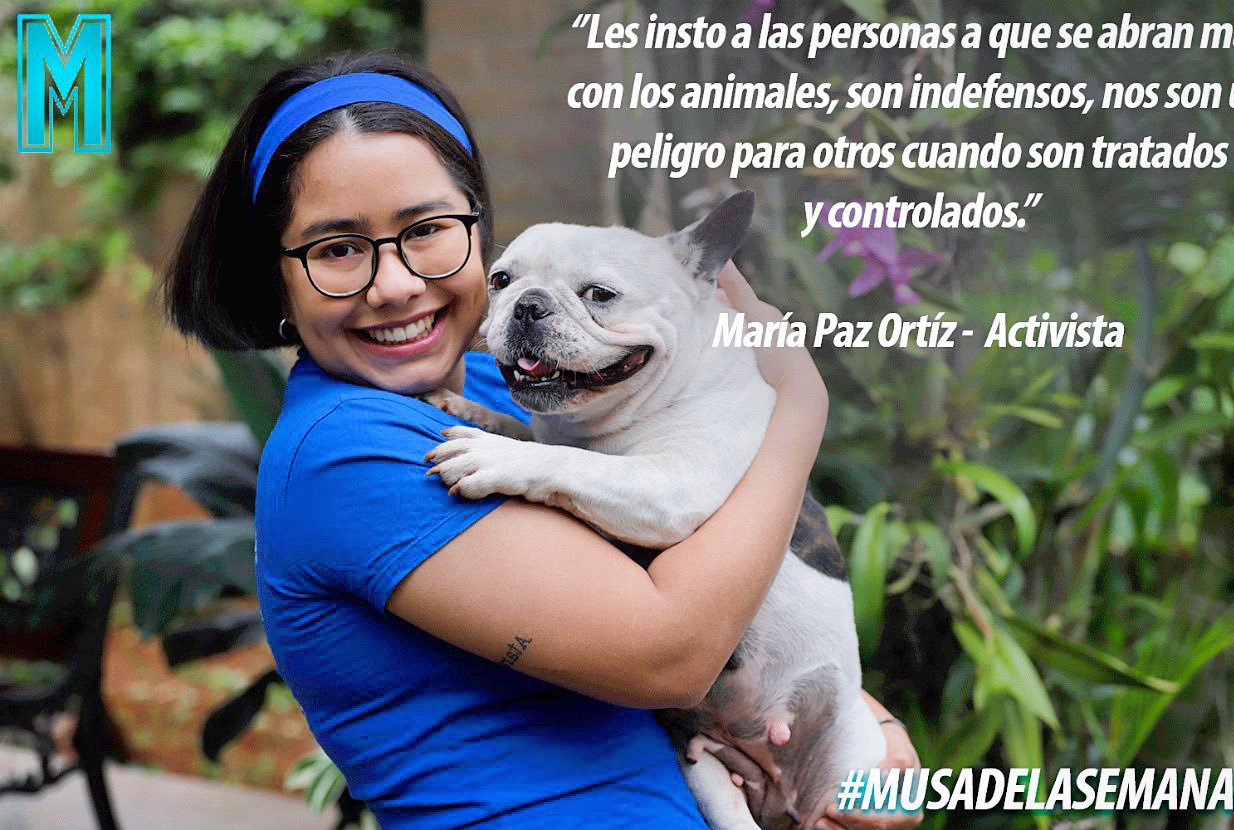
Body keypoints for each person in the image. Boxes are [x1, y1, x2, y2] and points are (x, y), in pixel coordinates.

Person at [162, 51, 919, 830]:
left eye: (427, 231)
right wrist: (798, 408)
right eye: (338, 248)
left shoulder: (515, 389)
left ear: (479, 231)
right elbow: (673, 652)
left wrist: (871, 737)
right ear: (277, 275)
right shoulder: (346, 455)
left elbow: (755, 573)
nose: (393, 283)